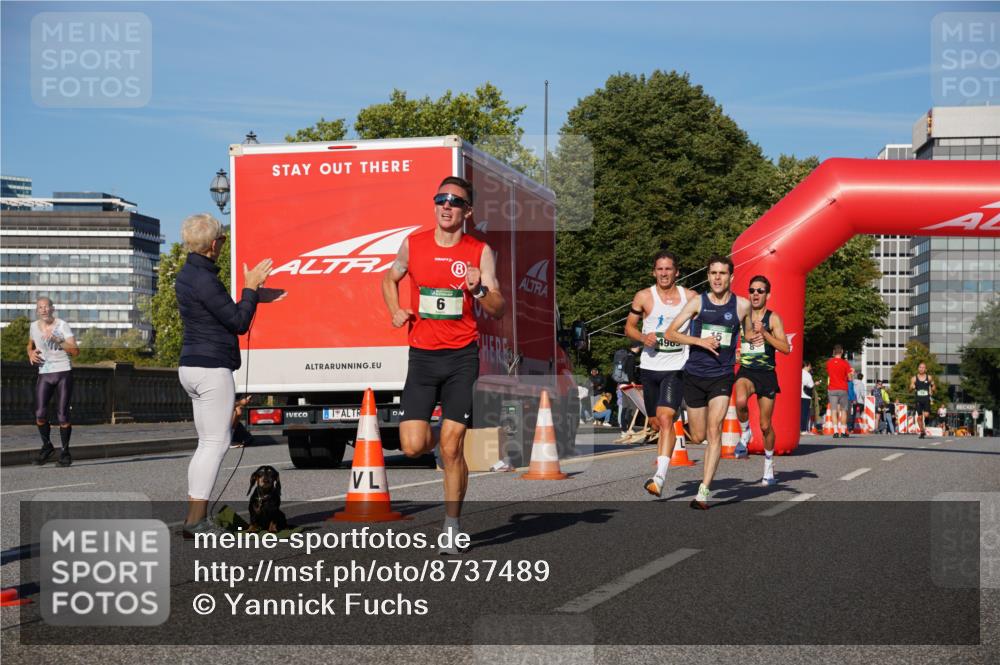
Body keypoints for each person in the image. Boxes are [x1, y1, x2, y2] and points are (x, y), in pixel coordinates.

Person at [382, 176, 504, 554]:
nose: (446, 206)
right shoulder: (414, 244)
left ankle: (452, 526)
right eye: (441, 199)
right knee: (413, 445)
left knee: (452, 447)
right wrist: (395, 309)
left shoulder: (478, 250)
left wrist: (479, 289)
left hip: (461, 357)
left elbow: (498, 307)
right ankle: (442, 445)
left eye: (455, 201)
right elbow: (389, 277)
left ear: (467, 211)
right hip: (421, 357)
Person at [175, 213, 274, 538]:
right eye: (223, 240)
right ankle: (196, 521)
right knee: (217, 444)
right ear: (215, 244)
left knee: (206, 444)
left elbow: (217, 312)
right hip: (211, 368)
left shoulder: (188, 275)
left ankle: (194, 517)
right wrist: (250, 288)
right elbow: (237, 322)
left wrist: (255, 295)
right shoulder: (205, 279)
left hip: (190, 365)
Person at [665, 255, 751, 509]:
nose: (717, 278)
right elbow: (671, 332)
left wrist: (748, 346)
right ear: (708, 276)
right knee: (699, 435)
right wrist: (699, 341)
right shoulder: (697, 303)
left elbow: (747, 334)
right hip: (694, 374)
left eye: (722, 273)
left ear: (731, 277)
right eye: (713, 273)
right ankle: (686, 423)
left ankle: (703, 491)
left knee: (715, 431)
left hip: (722, 376)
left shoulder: (742, 305)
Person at [624, 251, 698, 497]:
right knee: (656, 422)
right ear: (654, 272)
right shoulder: (644, 296)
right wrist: (644, 337)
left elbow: (710, 319)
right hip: (649, 368)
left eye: (668, 269)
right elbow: (629, 328)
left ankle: (659, 478)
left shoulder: (690, 297)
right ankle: (668, 427)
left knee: (666, 419)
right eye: (660, 269)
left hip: (675, 368)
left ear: (677, 272)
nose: (664, 274)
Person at [732, 275, 790, 485]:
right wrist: (734, 355)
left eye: (760, 291)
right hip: (747, 370)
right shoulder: (742, 316)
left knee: (765, 426)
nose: (755, 294)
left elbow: (786, 348)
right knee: (739, 401)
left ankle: (768, 464)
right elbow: (729, 340)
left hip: (766, 374)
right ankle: (745, 432)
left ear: (768, 295)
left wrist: (765, 333)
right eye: (752, 290)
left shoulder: (773, 318)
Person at [27, 297, 79, 467]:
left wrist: (57, 339)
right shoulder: (34, 326)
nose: (43, 310)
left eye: (46, 307)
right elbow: (31, 344)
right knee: (39, 414)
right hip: (44, 372)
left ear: (52, 308)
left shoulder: (62, 325)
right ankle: (47, 446)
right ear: (37, 310)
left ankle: (65, 453)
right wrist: (30, 353)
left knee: (62, 414)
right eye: (40, 307)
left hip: (63, 371)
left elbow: (75, 351)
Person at [825, 345, 852, 438]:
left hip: (832, 388)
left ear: (833, 351)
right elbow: (850, 378)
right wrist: (851, 374)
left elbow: (829, 373)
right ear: (842, 351)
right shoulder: (845, 363)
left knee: (833, 410)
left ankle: (836, 431)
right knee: (843, 410)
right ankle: (843, 431)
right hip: (843, 388)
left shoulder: (829, 363)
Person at [910, 362, 936, 439]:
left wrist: (933, 388)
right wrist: (912, 387)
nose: (921, 369)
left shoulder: (929, 377)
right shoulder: (914, 378)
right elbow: (910, 389)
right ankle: (922, 431)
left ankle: (927, 421)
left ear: (925, 369)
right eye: (920, 367)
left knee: (926, 415)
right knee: (919, 417)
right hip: (918, 399)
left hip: (926, 399)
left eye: (923, 367)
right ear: (918, 368)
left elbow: (933, 386)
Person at [801, 361, 815, 435]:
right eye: (810, 366)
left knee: (799, 413)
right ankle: (803, 429)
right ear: (807, 366)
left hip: (798, 395)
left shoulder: (798, 372)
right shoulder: (807, 375)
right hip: (806, 395)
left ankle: (799, 429)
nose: (810, 367)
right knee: (805, 413)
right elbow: (811, 385)